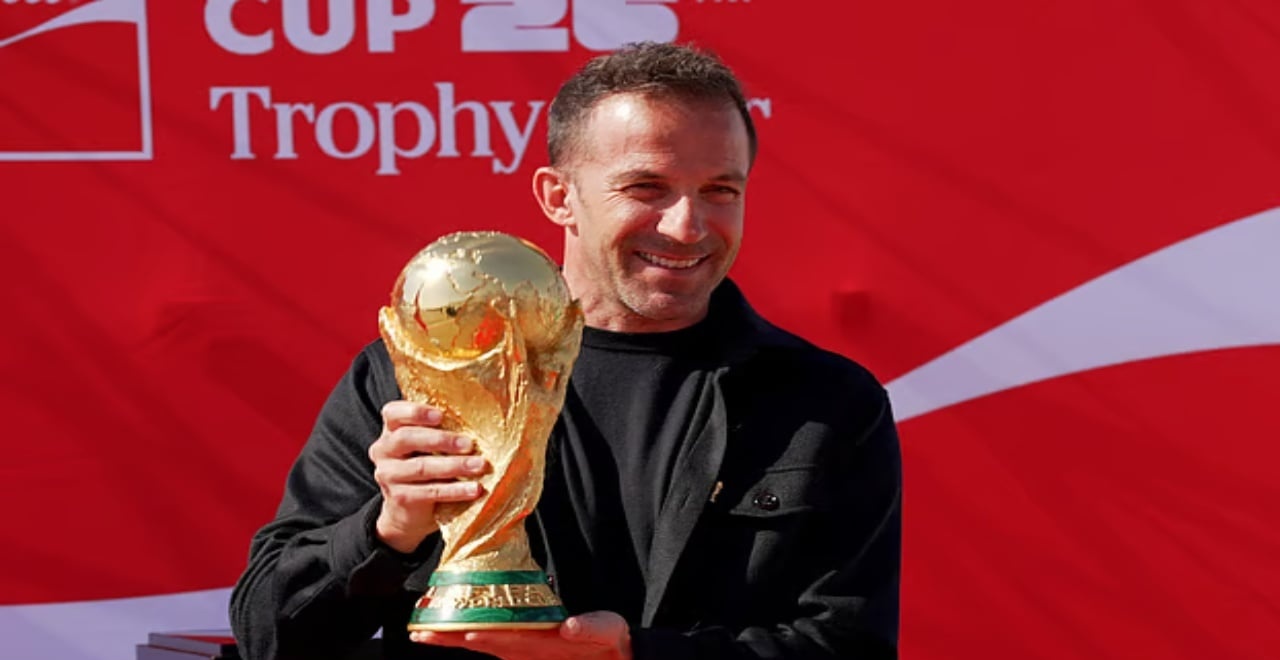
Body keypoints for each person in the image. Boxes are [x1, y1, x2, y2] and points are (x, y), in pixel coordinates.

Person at [230, 42, 902, 660]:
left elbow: (849, 647)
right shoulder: (414, 377)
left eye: (720, 190)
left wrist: (635, 655)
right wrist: (389, 530)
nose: (687, 226)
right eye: (646, 188)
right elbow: (269, 634)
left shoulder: (826, 402)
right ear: (559, 197)